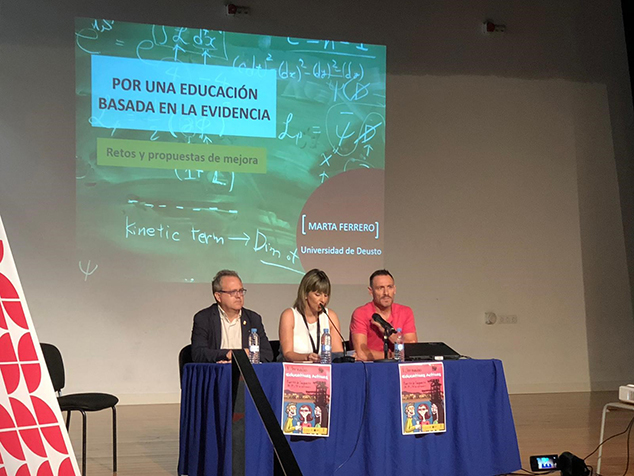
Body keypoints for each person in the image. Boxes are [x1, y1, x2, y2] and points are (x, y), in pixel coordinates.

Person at [191, 269, 273, 363]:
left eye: (241, 291)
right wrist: (227, 354)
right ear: (218, 296)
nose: (238, 296)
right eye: (233, 292)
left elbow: (267, 354)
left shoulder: (253, 318)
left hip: (245, 371)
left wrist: (246, 357)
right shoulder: (204, 318)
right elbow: (198, 353)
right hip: (218, 370)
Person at [350, 269, 417, 361]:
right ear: (371, 291)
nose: (386, 293)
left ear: (394, 289)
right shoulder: (361, 313)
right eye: (380, 288)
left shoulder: (405, 312)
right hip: (371, 367)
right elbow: (361, 354)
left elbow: (412, 350)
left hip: (399, 367)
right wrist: (393, 355)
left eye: (389, 287)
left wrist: (389, 333)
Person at [278, 269, 344, 362]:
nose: (323, 300)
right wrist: (307, 357)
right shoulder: (290, 315)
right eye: (318, 294)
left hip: (323, 369)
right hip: (296, 368)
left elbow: (337, 352)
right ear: (305, 294)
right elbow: (288, 353)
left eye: (326, 295)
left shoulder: (330, 316)